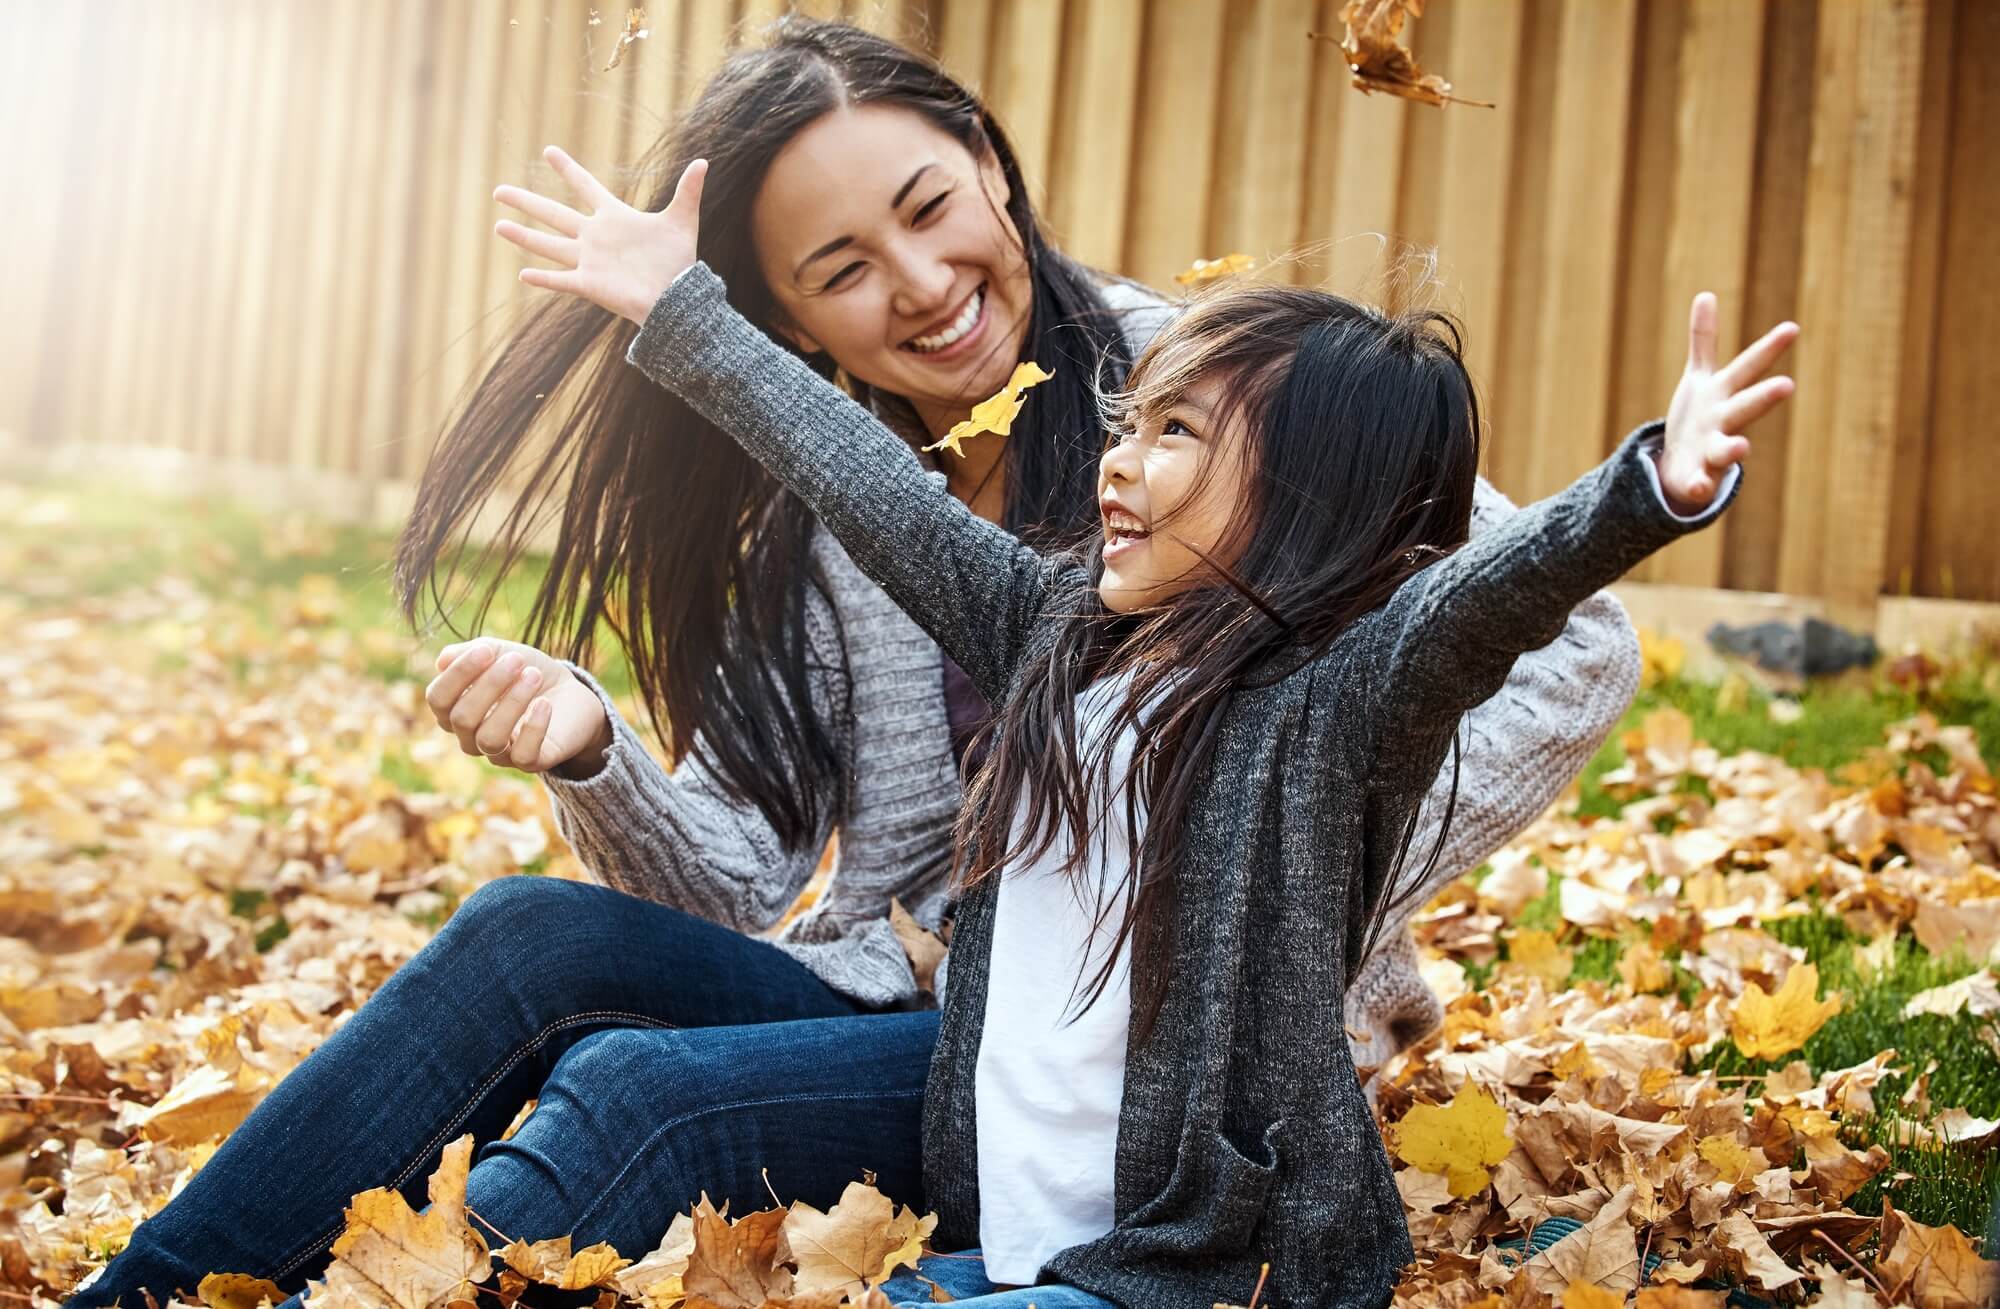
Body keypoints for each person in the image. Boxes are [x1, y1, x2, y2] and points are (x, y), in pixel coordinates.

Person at [66, 18, 1637, 1309]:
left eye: (930, 205)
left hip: (1146, 1073)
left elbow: (1575, 639)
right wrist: (587, 747)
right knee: (522, 939)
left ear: (992, 173)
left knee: (631, 1094)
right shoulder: (821, 525)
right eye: (841, 267)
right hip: (922, 1010)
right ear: (793, 328)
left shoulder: (1217, 400)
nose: (921, 280)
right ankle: (140, 1296)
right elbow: (738, 878)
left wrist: (1251, 851)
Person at [501, 153, 1795, 1307]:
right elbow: (876, 491)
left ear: (1309, 502)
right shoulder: (1046, 632)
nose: (1119, 462)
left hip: (1194, 1271)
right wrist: (685, 313)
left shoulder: (1332, 713)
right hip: (1006, 1244)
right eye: (1130, 423)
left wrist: (1646, 493)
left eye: (1176, 432)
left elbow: (1477, 606)